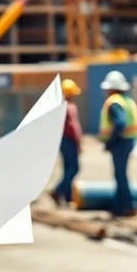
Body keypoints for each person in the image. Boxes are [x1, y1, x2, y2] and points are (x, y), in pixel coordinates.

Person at [97, 70, 137, 217]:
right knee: (120, 173)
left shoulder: (114, 102)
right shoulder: (127, 100)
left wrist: (110, 141)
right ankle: (118, 205)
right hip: (129, 140)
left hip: (120, 142)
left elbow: (120, 123)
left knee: (120, 174)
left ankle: (129, 205)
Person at [48, 79, 82, 207]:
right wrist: (79, 143)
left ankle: (67, 198)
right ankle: (57, 190)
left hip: (61, 140)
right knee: (74, 168)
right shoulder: (70, 107)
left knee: (67, 168)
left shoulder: (60, 106)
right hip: (69, 140)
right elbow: (74, 127)